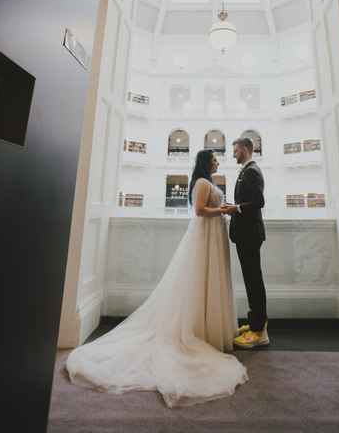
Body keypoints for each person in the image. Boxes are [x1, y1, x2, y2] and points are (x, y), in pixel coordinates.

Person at [66, 149, 248, 407]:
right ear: (206, 162)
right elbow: (198, 210)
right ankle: (199, 330)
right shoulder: (202, 182)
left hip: (212, 236)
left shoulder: (207, 182)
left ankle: (209, 329)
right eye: (215, 159)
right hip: (205, 235)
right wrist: (223, 210)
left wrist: (221, 210)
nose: (219, 162)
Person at [222, 137, 269, 349]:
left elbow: (259, 202)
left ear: (246, 149)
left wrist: (236, 208)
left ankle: (259, 332)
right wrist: (235, 206)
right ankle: (255, 325)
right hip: (246, 234)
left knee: (254, 281)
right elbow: (249, 201)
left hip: (250, 234)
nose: (233, 154)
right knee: (252, 280)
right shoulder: (247, 170)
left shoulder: (251, 171)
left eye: (236, 150)